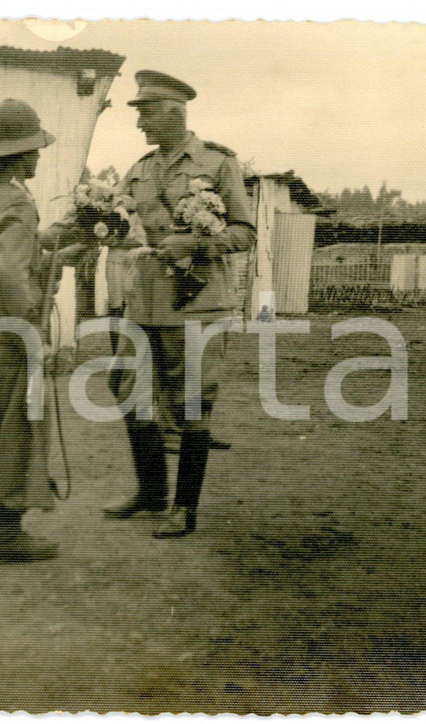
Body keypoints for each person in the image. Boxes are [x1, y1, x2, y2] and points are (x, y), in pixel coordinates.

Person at [104, 71, 256, 538]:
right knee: (125, 385)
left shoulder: (219, 162)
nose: (140, 125)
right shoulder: (141, 169)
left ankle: (184, 508)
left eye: (145, 113)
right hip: (144, 302)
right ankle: (152, 492)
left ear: (173, 111)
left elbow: (245, 234)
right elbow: (121, 222)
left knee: (191, 402)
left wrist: (194, 245)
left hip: (196, 303)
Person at [0, 99, 62, 564]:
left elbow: (2, 254)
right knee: (18, 427)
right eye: (35, 148)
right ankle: (5, 534)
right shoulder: (20, 201)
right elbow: (11, 272)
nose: (40, 155)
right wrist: (31, 329)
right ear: (22, 154)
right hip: (10, 327)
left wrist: (54, 240)